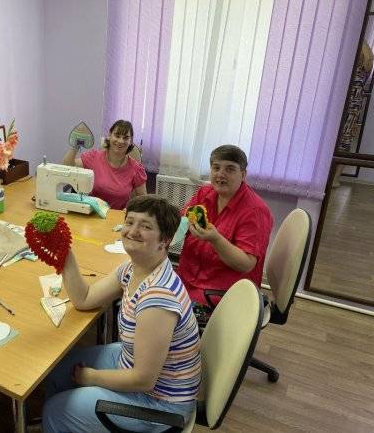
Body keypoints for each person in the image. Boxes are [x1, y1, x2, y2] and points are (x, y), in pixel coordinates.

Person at [43, 195, 201, 432]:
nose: (132, 231)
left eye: (145, 226)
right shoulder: (133, 267)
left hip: (159, 403)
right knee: (56, 370)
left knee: (55, 410)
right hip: (130, 362)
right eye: (130, 222)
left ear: (164, 241)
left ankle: (64, 420)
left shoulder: (158, 297)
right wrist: (65, 253)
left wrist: (91, 377)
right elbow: (84, 299)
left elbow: (143, 379)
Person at [178, 145, 273, 307]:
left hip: (220, 292)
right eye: (216, 168)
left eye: (230, 169)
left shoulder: (255, 211)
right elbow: (181, 222)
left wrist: (215, 239)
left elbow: (246, 264)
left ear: (243, 175)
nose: (220, 174)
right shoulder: (204, 193)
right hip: (187, 277)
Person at [62, 120, 147, 209]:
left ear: (131, 141)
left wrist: (130, 209)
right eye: (117, 136)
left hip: (116, 218)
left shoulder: (136, 169)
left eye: (126, 138)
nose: (121, 141)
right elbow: (68, 166)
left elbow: (144, 200)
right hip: (90, 214)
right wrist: (76, 146)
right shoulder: (93, 157)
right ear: (110, 135)